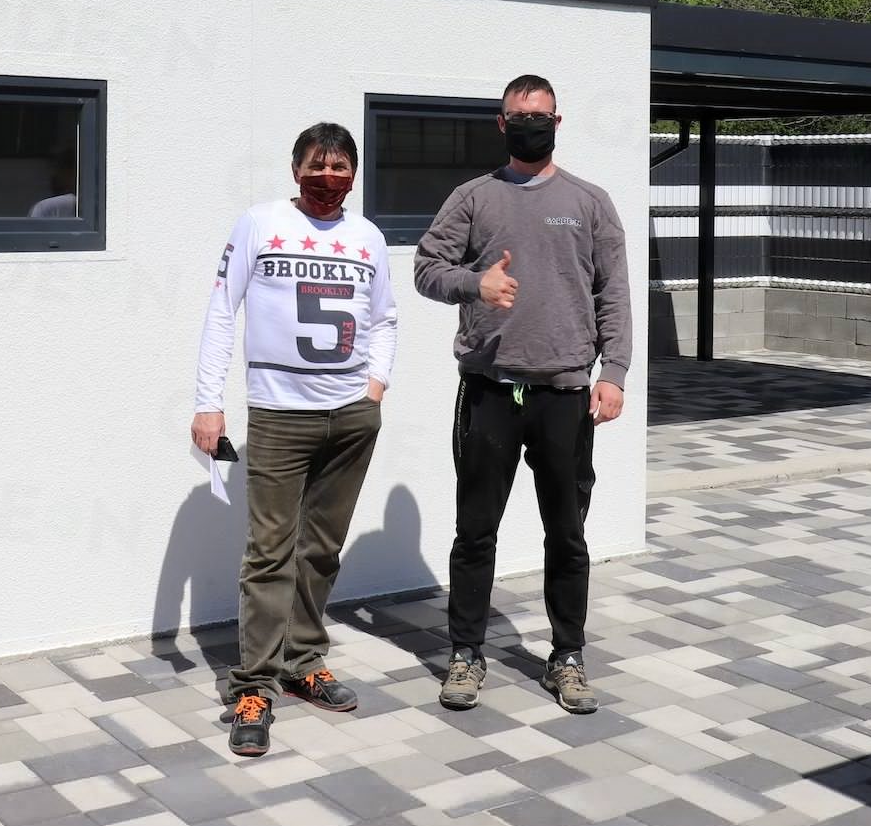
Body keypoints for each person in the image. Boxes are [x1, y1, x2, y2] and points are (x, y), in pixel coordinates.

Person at [413, 74, 631, 715]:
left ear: (557, 123)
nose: (531, 123)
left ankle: (567, 656)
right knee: (475, 534)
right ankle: (465, 654)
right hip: (488, 393)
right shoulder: (474, 198)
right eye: (519, 115)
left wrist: (613, 374)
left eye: (541, 115)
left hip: (564, 395)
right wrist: (474, 285)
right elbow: (427, 267)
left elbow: (613, 293)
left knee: (567, 536)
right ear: (501, 124)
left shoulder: (591, 202)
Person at [193, 122, 398, 757]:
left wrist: (375, 387)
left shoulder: (367, 237)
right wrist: (209, 403)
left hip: (351, 417)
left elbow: (386, 316)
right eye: (317, 165)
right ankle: (252, 684)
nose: (328, 177)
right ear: (294, 167)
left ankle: (305, 660)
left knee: (322, 548)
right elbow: (223, 310)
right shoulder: (258, 223)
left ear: (355, 175)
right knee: (268, 553)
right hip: (279, 415)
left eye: (340, 167)